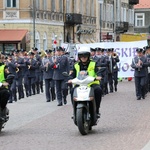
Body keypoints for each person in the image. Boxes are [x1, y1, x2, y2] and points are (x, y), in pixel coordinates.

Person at [68, 46, 103, 118]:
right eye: (81, 56)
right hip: (80, 84)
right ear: (79, 57)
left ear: (88, 56)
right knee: (72, 91)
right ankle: (74, 111)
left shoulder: (94, 63)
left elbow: (98, 71)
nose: (83, 57)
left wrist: (99, 76)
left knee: (98, 90)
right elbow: (72, 74)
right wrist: (70, 79)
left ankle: (96, 110)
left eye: (85, 55)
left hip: (92, 84)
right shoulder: (76, 65)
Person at [0, 53, 10, 118]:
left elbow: (8, 74)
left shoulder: (4, 66)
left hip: (2, 88)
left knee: (6, 94)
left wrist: (9, 80)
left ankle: (2, 109)